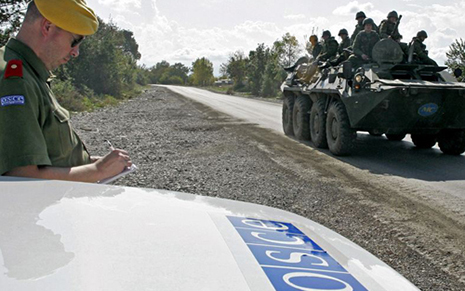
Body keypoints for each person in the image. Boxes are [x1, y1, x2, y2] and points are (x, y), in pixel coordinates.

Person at [0, 0, 132, 182]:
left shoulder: (31, 74)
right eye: (74, 41)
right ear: (47, 26)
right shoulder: (15, 80)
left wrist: (93, 164)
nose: (75, 52)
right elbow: (21, 178)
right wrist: (97, 171)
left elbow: (51, 158)